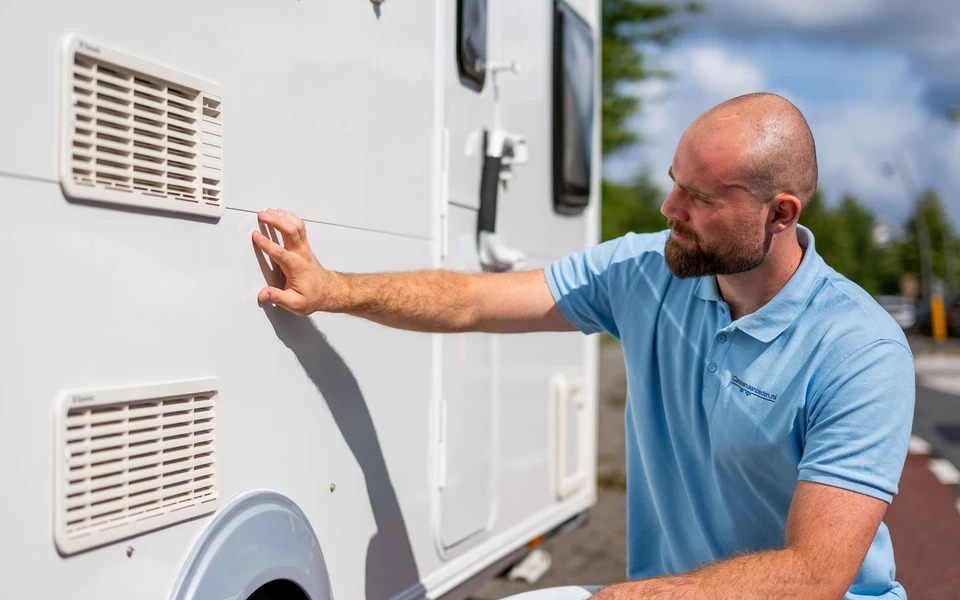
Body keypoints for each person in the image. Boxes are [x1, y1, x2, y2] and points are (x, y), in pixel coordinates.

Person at [251, 93, 914, 600]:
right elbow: (474, 300)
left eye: (699, 197)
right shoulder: (646, 271)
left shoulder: (859, 350)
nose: (668, 207)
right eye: (674, 180)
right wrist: (333, 288)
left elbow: (814, 576)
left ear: (781, 215)